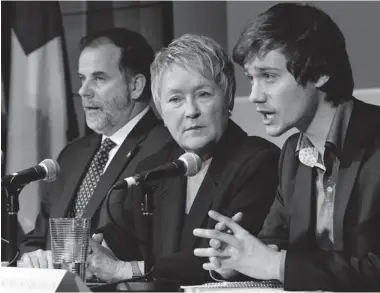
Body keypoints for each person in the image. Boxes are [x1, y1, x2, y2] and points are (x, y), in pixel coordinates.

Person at [193, 2, 380, 291]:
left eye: (268, 76)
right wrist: (236, 258)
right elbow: (274, 242)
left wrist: (274, 264)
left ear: (320, 73)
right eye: (251, 79)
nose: (254, 96)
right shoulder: (292, 154)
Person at [85, 33, 280, 285]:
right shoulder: (152, 169)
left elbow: (223, 262)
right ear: (161, 111)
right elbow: (117, 248)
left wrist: (126, 270)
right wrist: (95, 252)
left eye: (203, 94)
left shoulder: (260, 162)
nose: (191, 111)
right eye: (176, 99)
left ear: (228, 98)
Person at [18, 27, 172, 267]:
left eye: (99, 78)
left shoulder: (167, 149)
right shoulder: (71, 154)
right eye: (82, 78)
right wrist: (32, 258)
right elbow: (38, 238)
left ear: (136, 86)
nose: (82, 91)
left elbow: (168, 250)